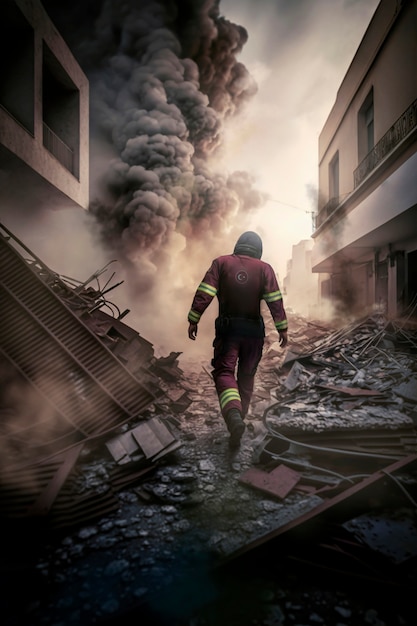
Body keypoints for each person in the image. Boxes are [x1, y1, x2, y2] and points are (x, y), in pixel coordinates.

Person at [187, 231, 288, 448]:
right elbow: (275, 301)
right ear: (258, 250)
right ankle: (239, 418)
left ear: (237, 245)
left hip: (229, 331)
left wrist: (193, 318)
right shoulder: (264, 268)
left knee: (224, 372)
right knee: (247, 375)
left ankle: (233, 417)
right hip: (254, 334)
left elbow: (205, 292)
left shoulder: (221, 263)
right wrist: (282, 328)